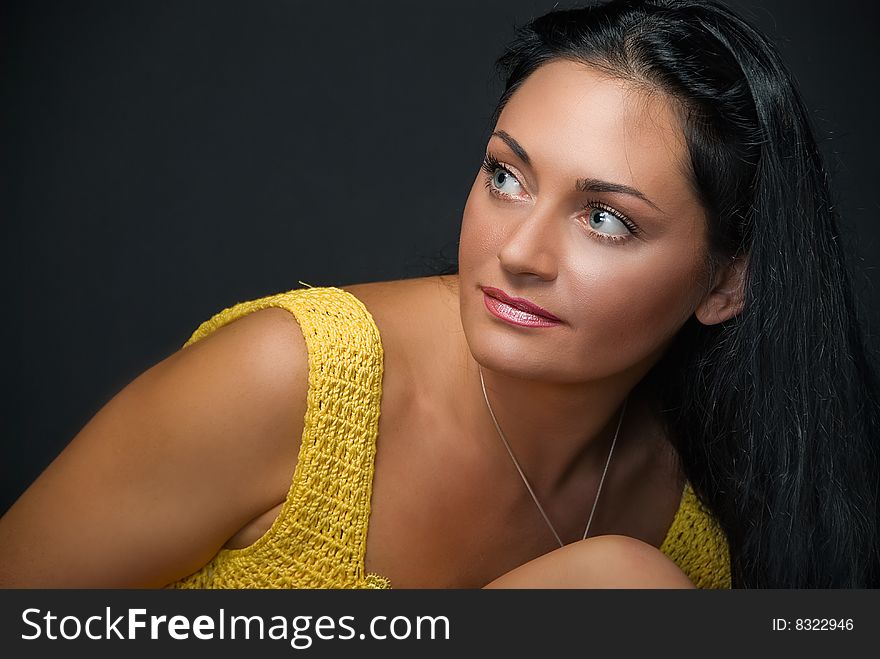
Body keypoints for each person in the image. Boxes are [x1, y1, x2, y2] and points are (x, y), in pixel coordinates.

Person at [1, 0, 878, 589]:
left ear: (728, 284)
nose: (520, 252)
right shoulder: (297, 383)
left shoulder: (686, 529)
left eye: (606, 219)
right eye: (506, 176)